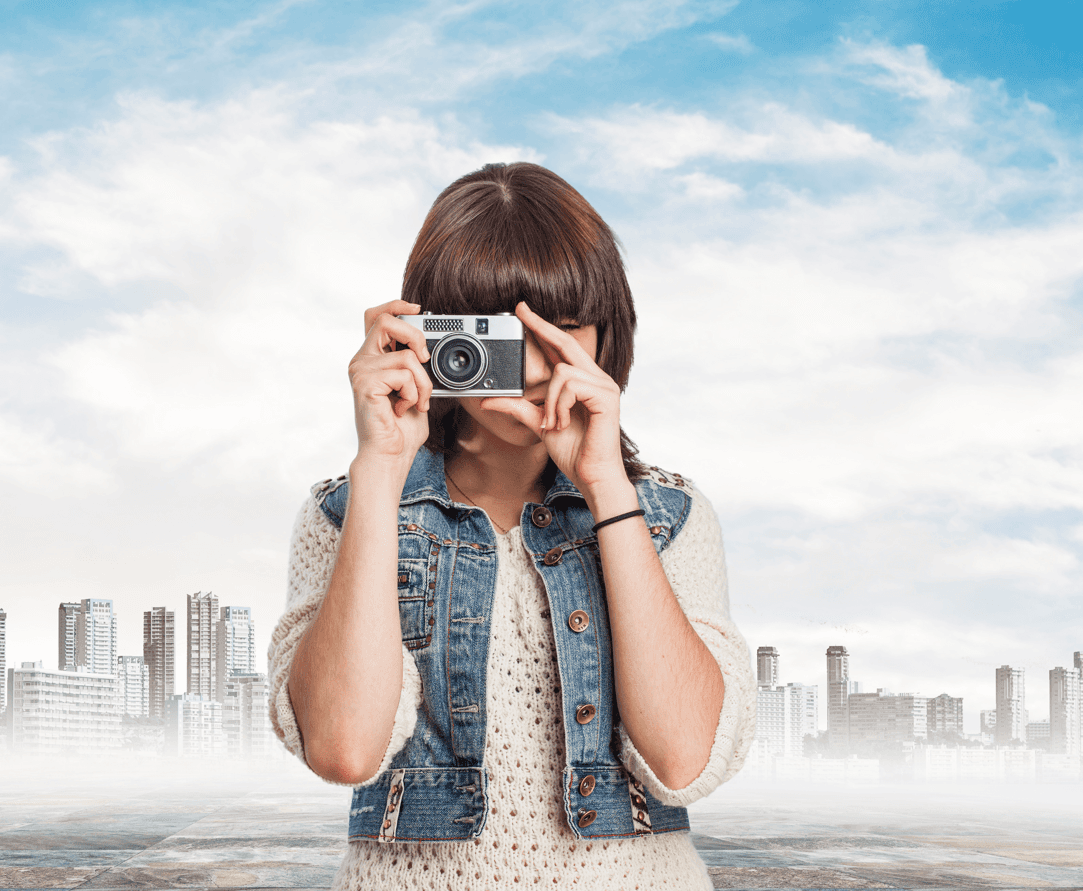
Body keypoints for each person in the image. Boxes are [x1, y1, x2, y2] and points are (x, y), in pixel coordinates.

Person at [267, 162, 754, 890]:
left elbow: (683, 759)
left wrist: (604, 487)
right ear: (426, 331)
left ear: (603, 335)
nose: (524, 363)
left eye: (558, 328)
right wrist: (379, 470)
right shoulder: (344, 511)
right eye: (490, 331)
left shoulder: (667, 517)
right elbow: (342, 748)